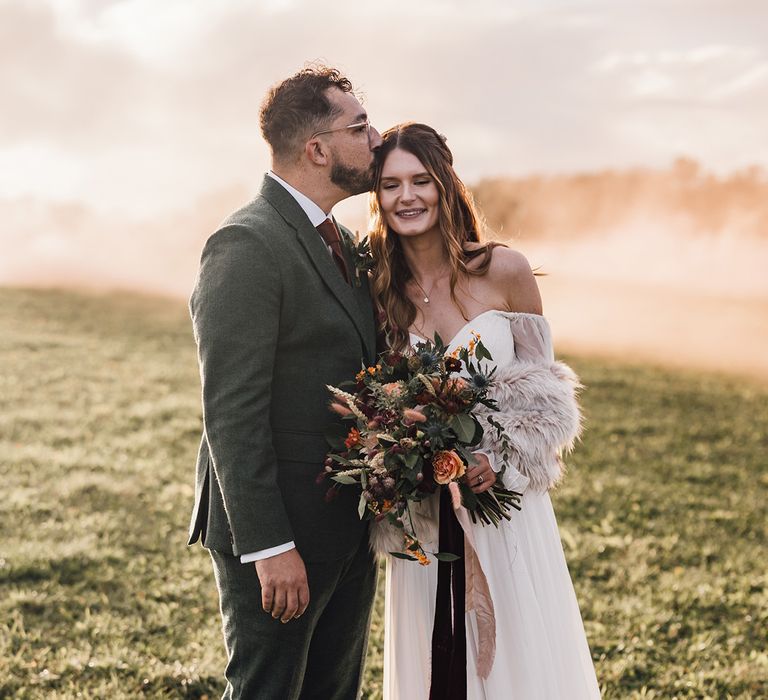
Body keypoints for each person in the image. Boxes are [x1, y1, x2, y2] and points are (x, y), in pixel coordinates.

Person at [368, 122, 601, 699]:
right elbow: (374, 397)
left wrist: (501, 461)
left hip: (504, 509)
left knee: (518, 662)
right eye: (391, 184)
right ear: (377, 196)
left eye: (421, 180)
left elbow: (547, 400)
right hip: (425, 522)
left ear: (447, 184)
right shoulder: (375, 286)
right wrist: (397, 454)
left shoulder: (504, 271)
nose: (408, 197)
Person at [188, 66, 382, 700]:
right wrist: (270, 546)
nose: (377, 137)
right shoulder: (247, 244)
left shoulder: (342, 241)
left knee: (334, 691)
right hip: (279, 534)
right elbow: (231, 414)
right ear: (317, 149)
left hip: (345, 524)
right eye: (360, 126)